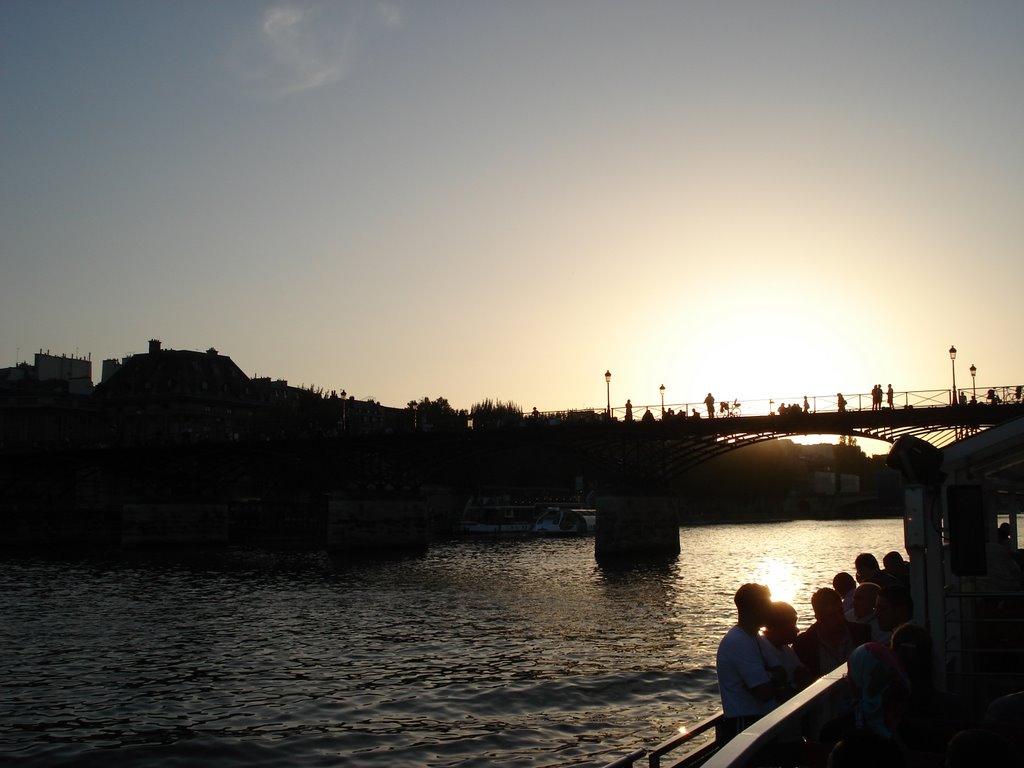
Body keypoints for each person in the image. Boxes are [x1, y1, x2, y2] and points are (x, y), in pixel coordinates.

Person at [715, 583, 785, 743]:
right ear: (754, 609)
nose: (771, 610)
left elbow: (781, 672)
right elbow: (764, 692)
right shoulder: (738, 642)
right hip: (745, 725)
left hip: (759, 721)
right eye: (767, 605)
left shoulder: (755, 638)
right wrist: (773, 680)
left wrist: (770, 678)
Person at [793, 588, 871, 680]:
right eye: (832, 615)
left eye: (840, 611)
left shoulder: (862, 633)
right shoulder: (804, 644)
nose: (840, 618)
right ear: (818, 617)